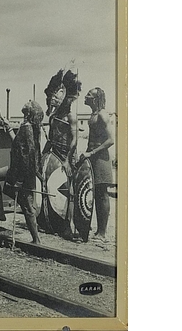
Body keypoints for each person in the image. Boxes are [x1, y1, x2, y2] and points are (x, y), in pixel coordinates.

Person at [0, 100, 44, 243]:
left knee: (27, 205)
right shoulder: (27, 126)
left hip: (22, 173)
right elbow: (18, 145)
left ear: (29, 112)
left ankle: (36, 240)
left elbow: (27, 155)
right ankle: (0, 211)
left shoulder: (27, 128)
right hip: (19, 171)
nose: (28, 101)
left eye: (30, 103)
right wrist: (9, 128)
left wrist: (20, 180)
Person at [41, 69, 81, 239]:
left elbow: (75, 140)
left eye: (60, 94)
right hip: (54, 154)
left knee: (69, 191)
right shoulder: (53, 115)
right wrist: (43, 156)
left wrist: (67, 160)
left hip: (67, 156)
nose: (56, 97)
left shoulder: (70, 115)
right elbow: (50, 138)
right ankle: (51, 221)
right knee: (50, 187)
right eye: (54, 93)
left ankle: (68, 226)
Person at [79, 87, 114, 242]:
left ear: (95, 99)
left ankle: (102, 233)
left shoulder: (102, 114)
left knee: (102, 194)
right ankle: (94, 228)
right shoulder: (92, 115)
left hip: (100, 158)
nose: (85, 96)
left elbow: (110, 140)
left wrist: (92, 153)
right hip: (92, 156)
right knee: (92, 193)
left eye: (89, 95)